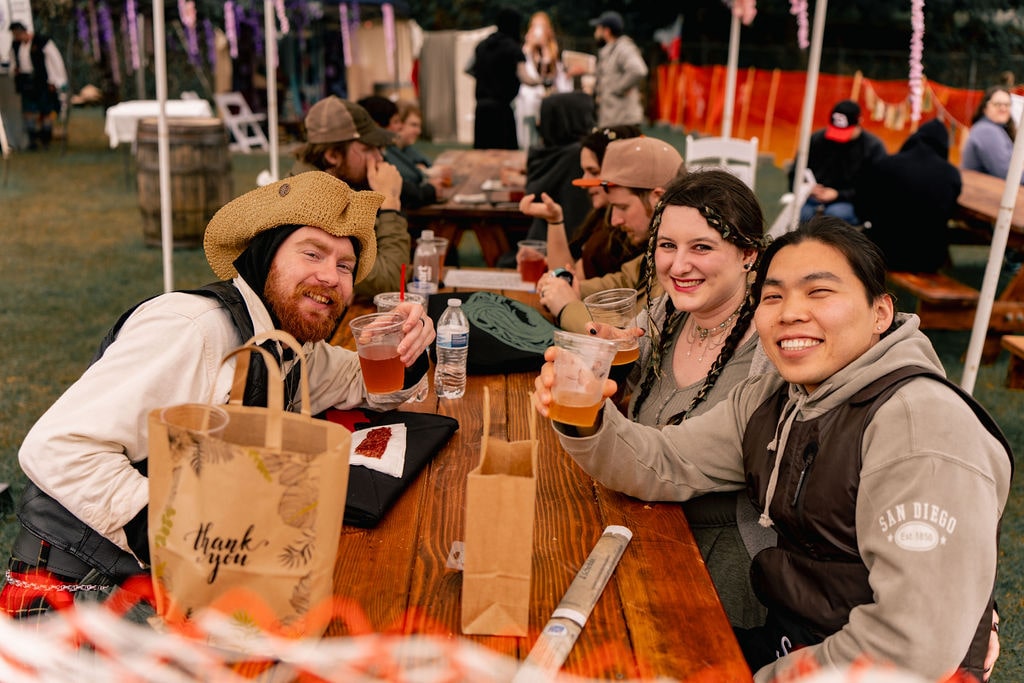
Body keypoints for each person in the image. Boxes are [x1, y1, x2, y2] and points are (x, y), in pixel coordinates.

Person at [533, 217, 1011, 683]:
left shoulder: (919, 429)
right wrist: (590, 414)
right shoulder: (776, 395)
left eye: (819, 291)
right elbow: (665, 461)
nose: (790, 312)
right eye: (773, 296)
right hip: (795, 641)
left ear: (881, 313)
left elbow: (910, 646)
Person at [0, 171, 436, 616]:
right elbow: (56, 447)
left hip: (175, 577)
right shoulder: (194, 329)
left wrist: (407, 347)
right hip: (79, 594)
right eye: (312, 253)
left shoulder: (288, 344)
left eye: (344, 265)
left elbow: (364, 385)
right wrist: (190, 542)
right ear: (266, 255)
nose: (331, 276)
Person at [620, 169, 774, 629]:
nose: (677, 265)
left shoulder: (771, 348)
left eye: (701, 247)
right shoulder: (666, 311)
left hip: (722, 569)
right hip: (642, 524)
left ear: (749, 254)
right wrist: (608, 356)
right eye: (667, 245)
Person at [533, 135, 685, 332]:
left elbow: (632, 338)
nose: (614, 220)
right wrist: (565, 286)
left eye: (622, 206)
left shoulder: (680, 260)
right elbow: (622, 282)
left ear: (658, 198)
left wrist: (567, 307)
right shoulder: (657, 249)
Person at [291, 96, 409, 300]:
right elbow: (388, 281)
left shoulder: (334, 188)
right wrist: (390, 204)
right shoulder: (317, 203)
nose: (379, 158)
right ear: (333, 156)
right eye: (367, 149)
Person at [856, 118, 962, 272]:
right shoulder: (951, 173)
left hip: (882, 251)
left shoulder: (886, 164)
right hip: (928, 258)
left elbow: (863, 205)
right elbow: (949, 212)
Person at [790, 99, 887, 224]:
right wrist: (807, 188)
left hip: (851, 201)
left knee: (834, 216)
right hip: (812, 198)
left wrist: (838, 194)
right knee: (802, 214)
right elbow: (795, 173)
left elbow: (875, 188)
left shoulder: (873, 147)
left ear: (859, 123)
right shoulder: (816, 140)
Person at [467, 8, 527, 150]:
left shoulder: (482, 45)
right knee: (505, 155)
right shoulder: (513, 48)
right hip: (502, 111)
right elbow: (524, 76)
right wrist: (543, 81)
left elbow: (468, 69)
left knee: (482, 156)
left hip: (482, 109)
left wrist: (486, 76)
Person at [514, 11, 571, 150]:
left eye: (542, 27)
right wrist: (530, 48)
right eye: (535, 27)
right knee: (527, 142)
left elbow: (556, 80)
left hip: (548, 105)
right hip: (528, 105)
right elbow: (526, 76)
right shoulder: (524, 52)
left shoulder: (553, 52)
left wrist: (547, 51)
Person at [8, 21, 67, 151]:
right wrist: (15, 70)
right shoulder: (16, 45)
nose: (17, 37)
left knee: (45, 111)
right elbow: (12, 61)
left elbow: (55, 61)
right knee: (29, 112)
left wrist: (56, 80)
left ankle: (46, 139)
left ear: (24, 32)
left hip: (41, 80)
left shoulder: (42, 42)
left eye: (18, 34)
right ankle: (32, 140)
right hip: (25, 81)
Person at [586, 11, 648, 129]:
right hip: (614, 119)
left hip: (623, 120)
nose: (595, 33)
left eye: (598, 29)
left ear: (607, 31)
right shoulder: (611, 50)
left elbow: (639, 70)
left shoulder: (623, 48)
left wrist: (617, 88)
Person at [385, 99, 449, 210]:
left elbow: (426, 163)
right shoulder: (386, 151)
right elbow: (410, 178)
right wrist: (426, 174)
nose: (418, 131)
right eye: (413, 125)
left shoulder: (406, 148)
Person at [961, 85, 1024, 185]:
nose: (1003, 108)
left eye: (1007, 105)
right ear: (985, 108)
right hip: (982, 197)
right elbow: (1006, 173)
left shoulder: (996, 130)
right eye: (997, 104)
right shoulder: (987, 131)